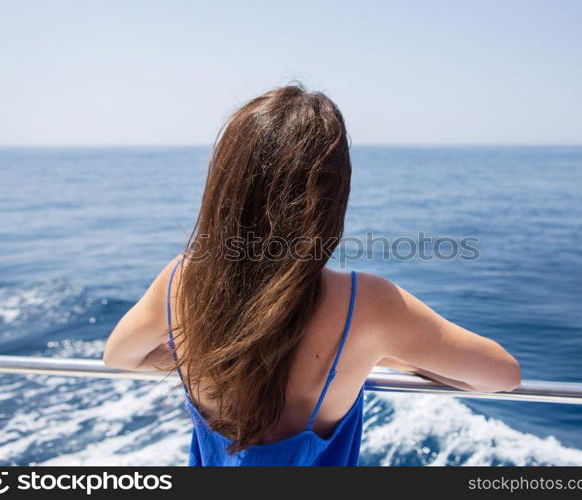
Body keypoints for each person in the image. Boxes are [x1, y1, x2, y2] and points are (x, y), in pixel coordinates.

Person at [103, 84, 521, 466]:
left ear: (224, 186)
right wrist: (386, 353)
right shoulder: (368, 305)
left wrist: (207, 355)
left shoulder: (180, 282)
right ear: (330, 196)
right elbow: (502, 375)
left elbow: (119, 357)